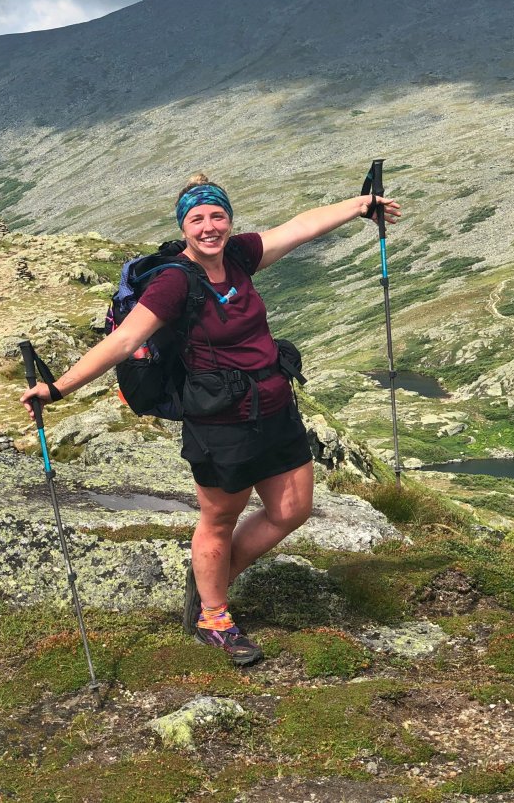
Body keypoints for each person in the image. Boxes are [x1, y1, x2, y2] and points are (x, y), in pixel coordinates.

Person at [21, 174, 400, 666]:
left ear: (229, 220)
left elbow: (300, 227)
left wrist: (360, 204)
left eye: (217, 216)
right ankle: (214, 614)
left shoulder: (240, 256)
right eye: (197, 219)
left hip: (274, 407)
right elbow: (122, 341)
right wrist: (58, 388)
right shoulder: (175, 281)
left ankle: (208, 582)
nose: (209, 227)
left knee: (293, 510)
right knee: (219, 518)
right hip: (219, 421)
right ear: (184, 227)